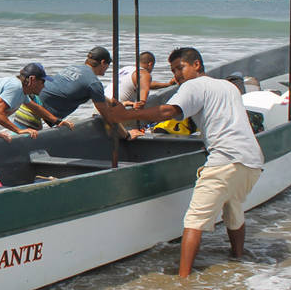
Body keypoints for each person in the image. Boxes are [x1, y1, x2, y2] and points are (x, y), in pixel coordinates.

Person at [110, 47, 264, 277]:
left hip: (225, 158)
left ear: (196, 65)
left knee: (194, 220)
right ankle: (238, 257)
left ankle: (184, 281)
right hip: (252, 160)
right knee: (233, 208)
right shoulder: (228, 86)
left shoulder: (194, 85)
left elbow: (169, 111)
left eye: (180, 68)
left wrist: (126, 116)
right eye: (173, 70)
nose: (177, 75)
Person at [0, 63, 74, 141]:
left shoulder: (20, 90)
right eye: (42, 82)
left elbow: (34, 107)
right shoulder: (16, 87)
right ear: (32, 80)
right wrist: (19, 131)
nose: (44, 86)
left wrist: (57, 121)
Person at [15, 47, 113, 130]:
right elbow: (106, 115)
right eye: (108, 64)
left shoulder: (73, 67)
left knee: (13, 139)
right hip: (39, 114)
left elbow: (96, 95)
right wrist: (125, 135)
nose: (108, 67)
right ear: (103, 62)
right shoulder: (93, 82)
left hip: (28, 103)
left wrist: (111, 102)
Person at [104, 51, 176, 108]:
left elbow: (146, 85)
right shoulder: (144, 74)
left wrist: (168, 84)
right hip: (115, 107)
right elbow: (144, 90)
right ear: (150, 64)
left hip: (102, 103)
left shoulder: (126, 69)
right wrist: (142, 102)